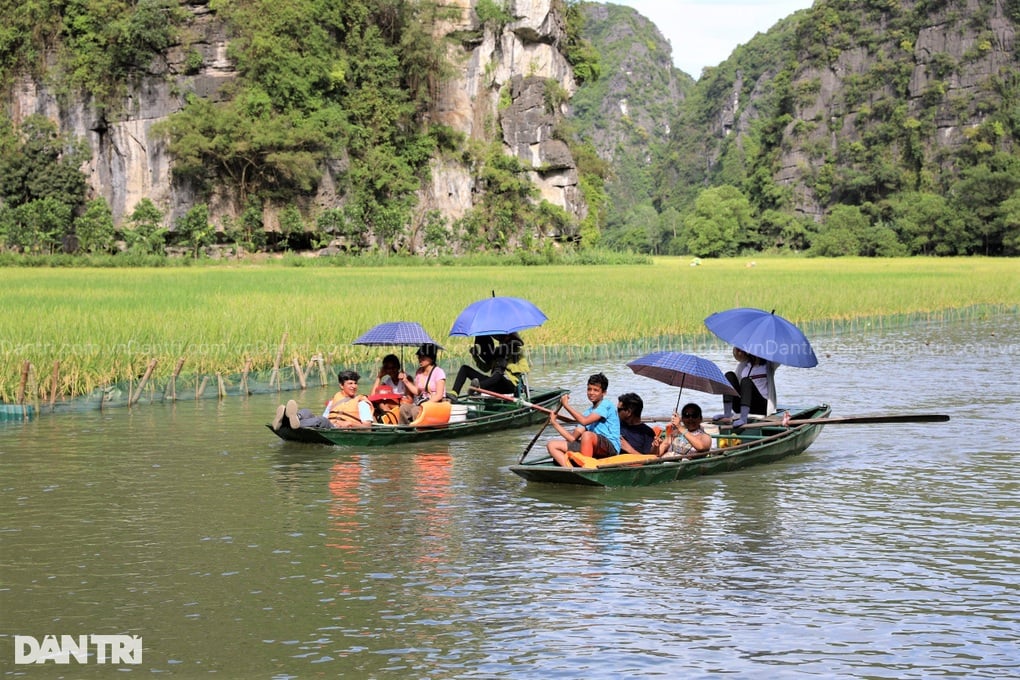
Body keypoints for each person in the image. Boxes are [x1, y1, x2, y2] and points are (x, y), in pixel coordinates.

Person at [546, 372, 621, 467]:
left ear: (604, 392)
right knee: (552, 445)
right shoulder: (587, 413)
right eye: (589, 389)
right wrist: (554, 423)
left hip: (611, 448)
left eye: (596, 390)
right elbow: (572, 438)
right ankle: (572, 471)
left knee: (586, 435)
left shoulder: (606, 405)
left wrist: (566, 405)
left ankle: (586, 468)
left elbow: (584, 421)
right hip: (592, 446)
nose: (591, 393)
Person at [272, 370, 373, 430]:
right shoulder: (334, 400)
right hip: (330, 425)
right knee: (306, 411)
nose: (354, 386)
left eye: (355, 383)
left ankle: (287, 424)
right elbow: (326, 417)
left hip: (341, 429)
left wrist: (349, 424)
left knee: (321, 420)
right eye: (350, 384)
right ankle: (288, 419)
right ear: (341, 385)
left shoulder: (362, 402)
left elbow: (367, 426)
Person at [451, 332, 529, 396]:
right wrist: (476, 356)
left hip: (511, 385)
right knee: (465, 369)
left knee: (499, 373)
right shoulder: (498, 352)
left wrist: (506, 366)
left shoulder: (518, 352)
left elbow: (525, 369)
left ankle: (478, 387)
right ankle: (454, 394)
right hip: (493, 383)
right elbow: (486, 368)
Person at [717, 347, 778, 427]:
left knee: (746, 381)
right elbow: (734, 386)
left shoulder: (769, 365)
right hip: (742, 405)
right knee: (729, 375)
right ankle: (727, 413)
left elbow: (778, 357)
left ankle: (743, 418)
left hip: (761, 406)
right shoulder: (743, 366)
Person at [398, 343, 447, 424]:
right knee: (404, 408)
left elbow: (439, 395)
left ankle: (418, 429)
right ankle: (405, 429)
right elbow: (417, 391)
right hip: (422, 402)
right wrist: (405, 380)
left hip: (435, 403)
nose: (420, 359)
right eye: (419, 357)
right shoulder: (419, 372)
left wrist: (425, 405)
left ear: (431, 358)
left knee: (415, 410)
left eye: (423, 357)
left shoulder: (439, 372)